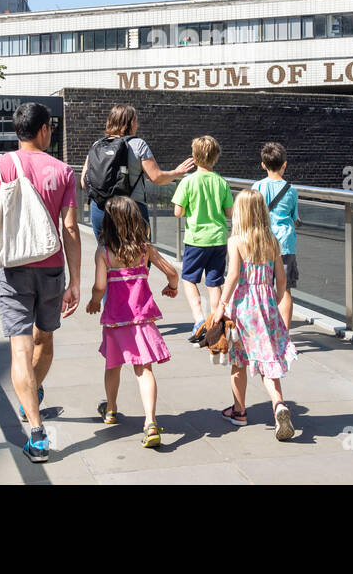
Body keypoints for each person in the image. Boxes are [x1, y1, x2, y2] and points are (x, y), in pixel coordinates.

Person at [0, 102, 81, 464]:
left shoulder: (0, 165)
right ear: (43, 130)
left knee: (20, 350)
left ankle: (37, 434)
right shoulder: (62, 170)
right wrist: (76, 281)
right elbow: (70, 229)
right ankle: (33, 397)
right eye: (51, 128)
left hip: (14, 269)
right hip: (53, 268)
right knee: (46, 341)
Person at [85, 196, 179, 448]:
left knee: (112, 365)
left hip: (116, 320)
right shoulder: (144, 249)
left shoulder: (104, 252)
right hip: (142, 318)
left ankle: (112, 409)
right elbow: (172, 272)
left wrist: (95, 301)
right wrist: (172, 287)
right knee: (144, 370)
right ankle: (150, 421)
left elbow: (99, 286)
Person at [213, 189, 297, 440]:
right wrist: (274, 299)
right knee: (268, 361)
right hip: (266, 306)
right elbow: (281, 280)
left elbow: (233, 276)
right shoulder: (272, 240)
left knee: (239, 360)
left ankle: (239, 412)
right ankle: (279, 404)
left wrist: (221, 305)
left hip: (244, 308)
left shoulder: (236, 241)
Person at [81, 104, 194, 242]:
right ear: (129, 123)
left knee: (106, 254)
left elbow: (83, 181)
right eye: (135, 121)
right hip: (132, 209)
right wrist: (177, 172)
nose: (138, 125)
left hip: (100, 209)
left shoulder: (97, 145)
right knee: (139, 256)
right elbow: (156, 177)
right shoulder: (138, 144)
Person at [171, 135, 233, 344]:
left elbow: (178, 212)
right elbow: (230, 212)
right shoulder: (221, 182)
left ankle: (199, 319)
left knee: (189, 278)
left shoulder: (188, 181)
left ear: (194, 157)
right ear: (215, 158)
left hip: (196, 239)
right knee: (214, 282)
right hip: (218, 238)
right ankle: (215, 322)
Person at [251, 142, 299, 330]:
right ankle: (284, 334)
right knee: (285, 289)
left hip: (262, 243)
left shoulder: (257, 186)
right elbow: (294, 216)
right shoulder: (291, 190)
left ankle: (264, 329)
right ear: (284, 164)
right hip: (285, 244)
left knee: (262, 286)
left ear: (263, 165)